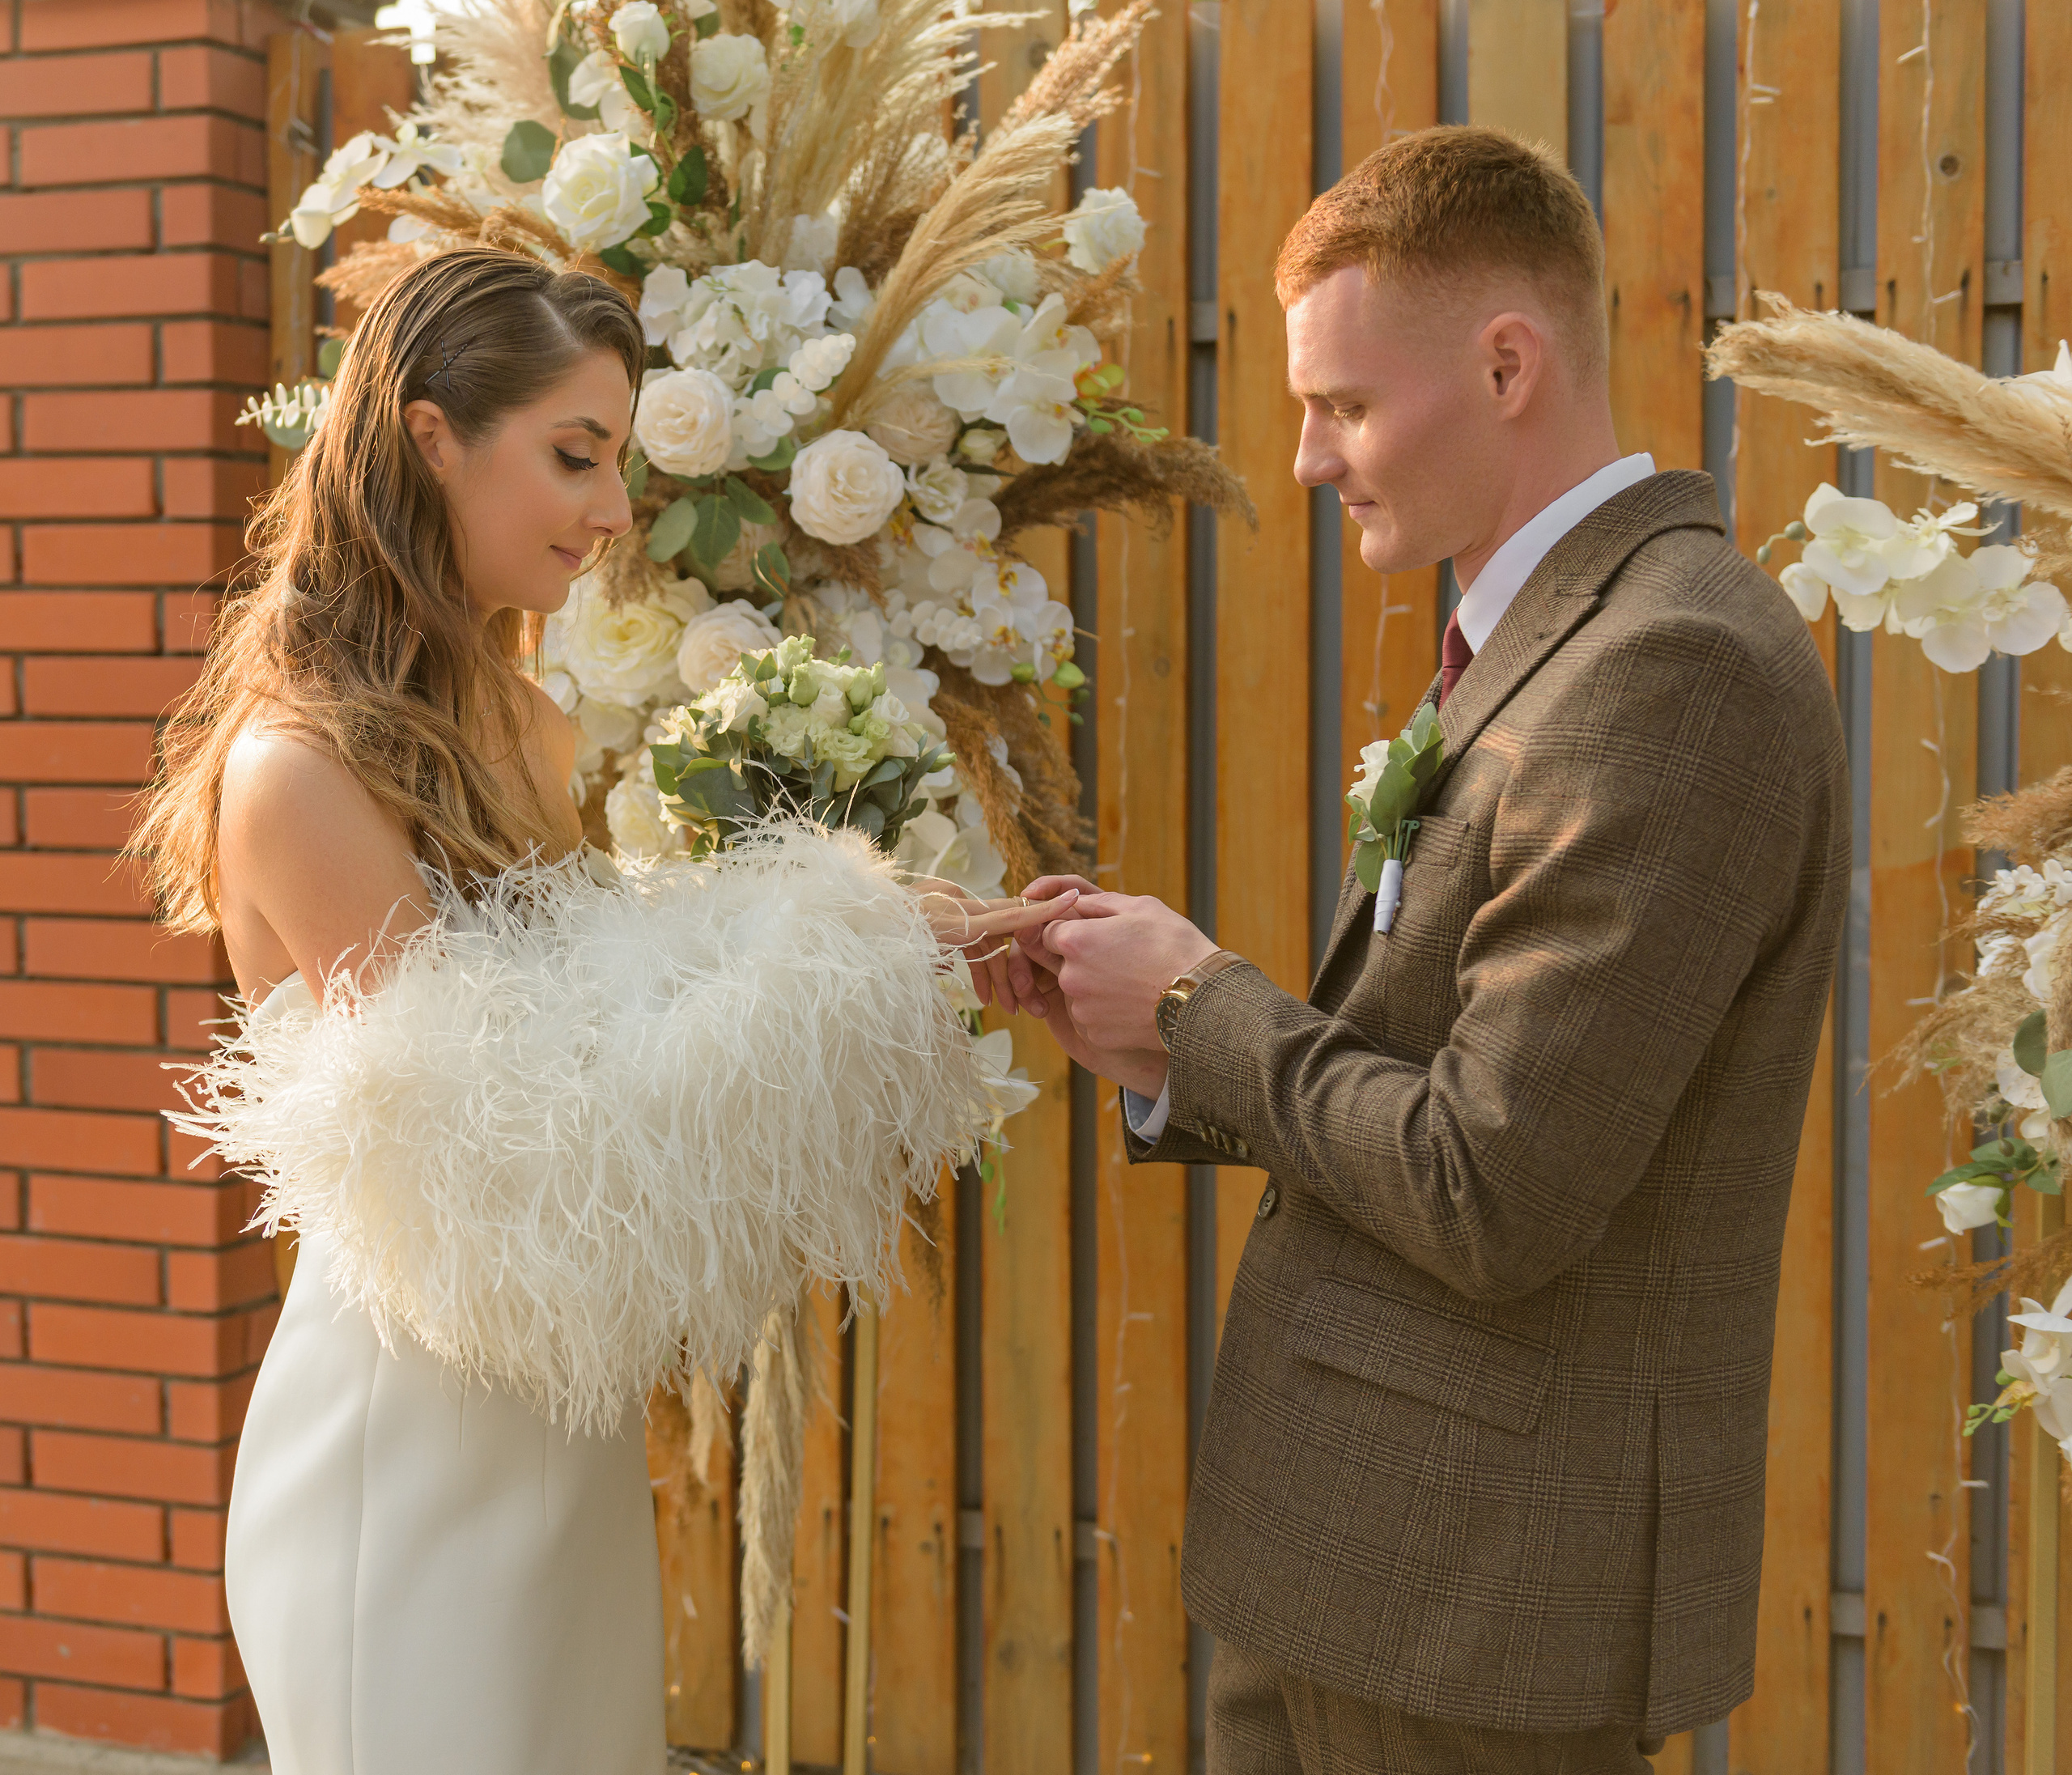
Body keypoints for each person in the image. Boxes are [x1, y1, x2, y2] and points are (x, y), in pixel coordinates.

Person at [135, 247, 1067, 1775]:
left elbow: (597, 993)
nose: (617, 509)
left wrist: (898, 936)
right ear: (433, 437)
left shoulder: (528, 719)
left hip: (554, 1435)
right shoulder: (296, 769)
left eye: (621, 461)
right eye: (576, 455)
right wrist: (834, 973)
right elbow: (511, 1139)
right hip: (406, 1455)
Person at [1018, 127, 1850, 1773]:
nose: (1307, 457)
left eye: (1339, 403)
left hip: (1472, 1588)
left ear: (1502, 362)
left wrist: (1199, 999)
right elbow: (1427, 1063)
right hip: (1370, 1546)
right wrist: (1160, 1048)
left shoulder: (1665, 667)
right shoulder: (1558, 636)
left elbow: (1493, 1182)